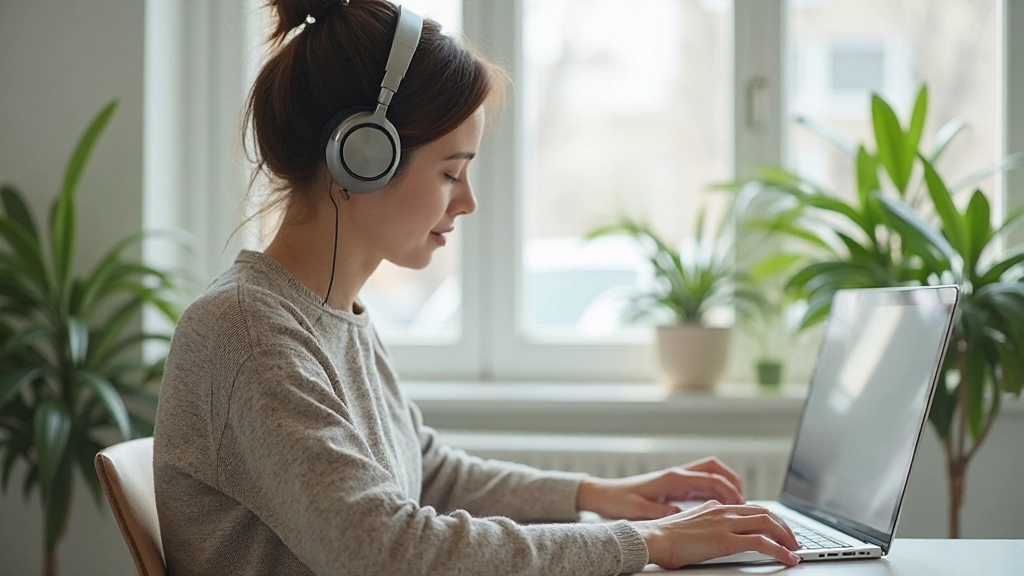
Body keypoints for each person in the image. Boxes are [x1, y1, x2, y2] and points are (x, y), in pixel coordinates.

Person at [152, 1, 801, 574]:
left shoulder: (327, 315)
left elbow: (428, 474)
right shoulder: (249, 336)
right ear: (361, 156)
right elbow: (386, 552)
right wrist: (647, 542)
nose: (468, 203)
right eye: (449, 173)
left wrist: (598, 495)